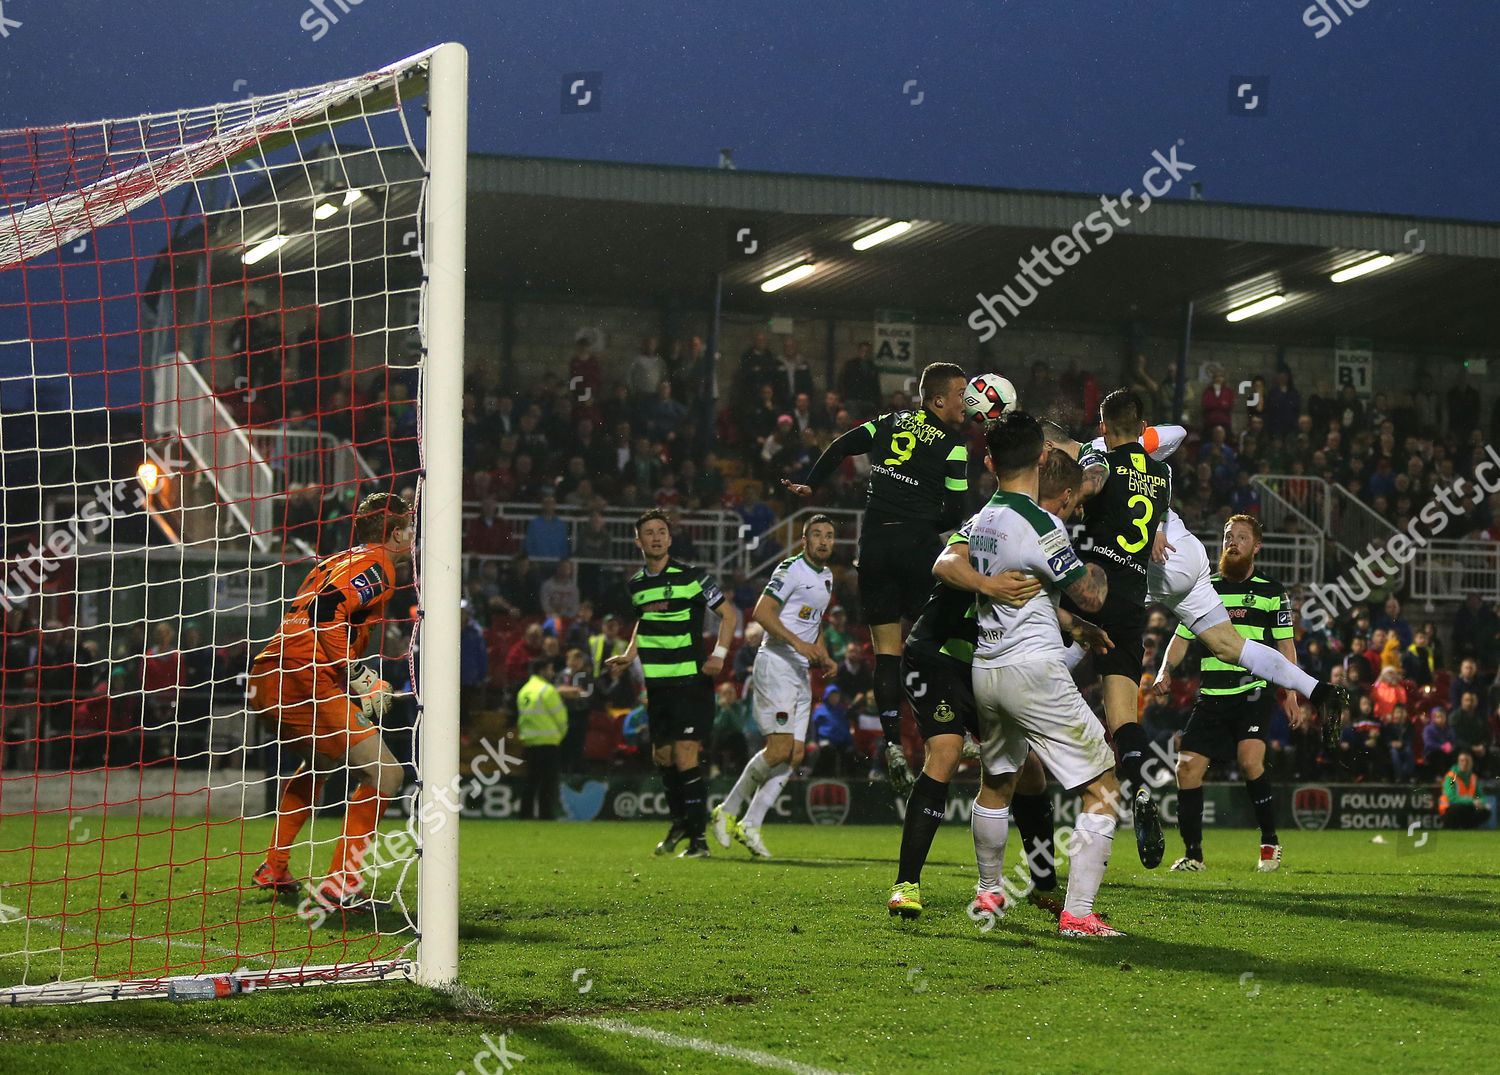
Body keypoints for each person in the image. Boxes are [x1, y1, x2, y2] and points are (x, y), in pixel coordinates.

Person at [887, 449, 1089, 922]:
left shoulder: (1031, 533)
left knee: (1031, 772)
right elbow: (944, 564)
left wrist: (1075, 625)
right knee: (946, 752)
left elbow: (1037, 596)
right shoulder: (985, 524)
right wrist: (988, 586)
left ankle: (1042, 885)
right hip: (935, 656)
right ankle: (906, 884)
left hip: (981, 665)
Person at [953, 411, 1122, 937]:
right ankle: (1078, 915)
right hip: (1033, 670)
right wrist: (1108, 547)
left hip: (988, 667)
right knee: (1104, 789)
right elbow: (1090, 593)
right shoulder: (1040, 523)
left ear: (990, 461)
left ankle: (987, 894)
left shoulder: (982, 518)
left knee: (996, 783)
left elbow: (949, 560)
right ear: (1044, 457)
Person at [785, 362, 972, 795]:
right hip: (917, 547)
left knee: (886, 653)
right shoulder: (954, 445)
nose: (968, 401)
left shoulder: (888, 422)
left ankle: (890, 744)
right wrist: (924, 516)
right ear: (938, 398)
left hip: (873, 547)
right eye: (961, 393)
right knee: (944, 637)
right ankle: (953, 732)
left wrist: (811, 484)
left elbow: (841, 446)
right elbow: (954, 514)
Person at [247, 492, 411, 915]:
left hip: (268, 673)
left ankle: (275, 867)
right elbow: (326, 611)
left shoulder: (336, 559)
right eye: (410, 529)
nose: (414, 538)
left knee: (321, 764)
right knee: (389, 776)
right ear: (394, 534)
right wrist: (357, 675)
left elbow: (317, 607)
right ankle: (340, 887)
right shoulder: (379, 566)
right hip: (306, 676)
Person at [1062, 390, 1175, 868]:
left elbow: (1090, 485)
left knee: (1030, 672)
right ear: (1143, 424)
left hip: (1086, 591)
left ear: (1105, 427)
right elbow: (1154, 525)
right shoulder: (1162, 473)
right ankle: (1141, 790)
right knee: (1124, 719)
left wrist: (1062, 506)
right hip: (1131, 600)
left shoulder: (1102, 459)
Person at [1159, 514, 1306, 873]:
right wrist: (1165, 669)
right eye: (1228, 536)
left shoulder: (1272, 591)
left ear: (1256, 547)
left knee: (1249, 760)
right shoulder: (1202, 588)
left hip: (1252, 691)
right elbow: (1181, 639)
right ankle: (1194, 856)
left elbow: (1286, 647)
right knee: (1187, 768)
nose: (1233, 542)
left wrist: (1291, 693)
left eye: (1241, 537)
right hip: (1212, 694)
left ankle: (1269, 842)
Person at [609, 509, 738, 858]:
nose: (655, 537)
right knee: (662, 755)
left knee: (684, 755)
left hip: (690, 682)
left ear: (669, 538)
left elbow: (729, 614)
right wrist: (630, 653)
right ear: (638, 541)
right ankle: (681, 821)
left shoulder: (692, 577)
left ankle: (699, 839)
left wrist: (720, 655)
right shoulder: (637, 584)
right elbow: (643, 620)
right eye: (648, 532)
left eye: (661, 531)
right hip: (658, 685)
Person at [713, 516, 839, 858]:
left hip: (800, 672)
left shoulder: (827, 577)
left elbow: (813, 621)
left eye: (829, 536)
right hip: (777, 665)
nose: (824, 541)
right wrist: (799, 645)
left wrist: (823, 654)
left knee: (795, 754)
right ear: (804, 540)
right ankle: (726, 809)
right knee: (780, 749)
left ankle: (751, 825)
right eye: (817, 535)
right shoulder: (790, 569)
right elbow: (762, 612)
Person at [517, 659, 567, 819]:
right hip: (548, 743)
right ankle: (546, 815)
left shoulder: (524, 691)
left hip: (529, 743)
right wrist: (560, 735)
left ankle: (525, 815)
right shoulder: (547, 690)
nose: (552, 673)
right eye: (550, 669)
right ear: (542, 670)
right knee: (548, 783)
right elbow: (561, 718)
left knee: (531, 781)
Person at [555, 647, 596, 771]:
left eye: (579, 660)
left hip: (580, 716)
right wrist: (575, 691)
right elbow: (557, 690)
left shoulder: (587, 677)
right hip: (563, 715)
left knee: (578, 746)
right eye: (574, 659)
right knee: (563, 746)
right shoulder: (562, 675)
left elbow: (587, 696)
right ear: (568, 661)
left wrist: (568, 692)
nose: (576, 663)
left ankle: (576, 773)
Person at [1439, 751, 1491, 829]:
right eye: (1462, 761)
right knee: (1458, 808)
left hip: (1466, 808)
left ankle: (1469, 828)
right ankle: (1452, 828)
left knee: (1485, 811)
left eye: (1467, 761)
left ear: (1472, 763)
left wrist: (1481, 803)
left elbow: (1481, 795)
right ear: (1458, 762)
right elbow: (1451, 798)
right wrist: (1472, 802)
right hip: (1449, 810)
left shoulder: (1473, 777)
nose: (1464, 763)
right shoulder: (1451, 777)